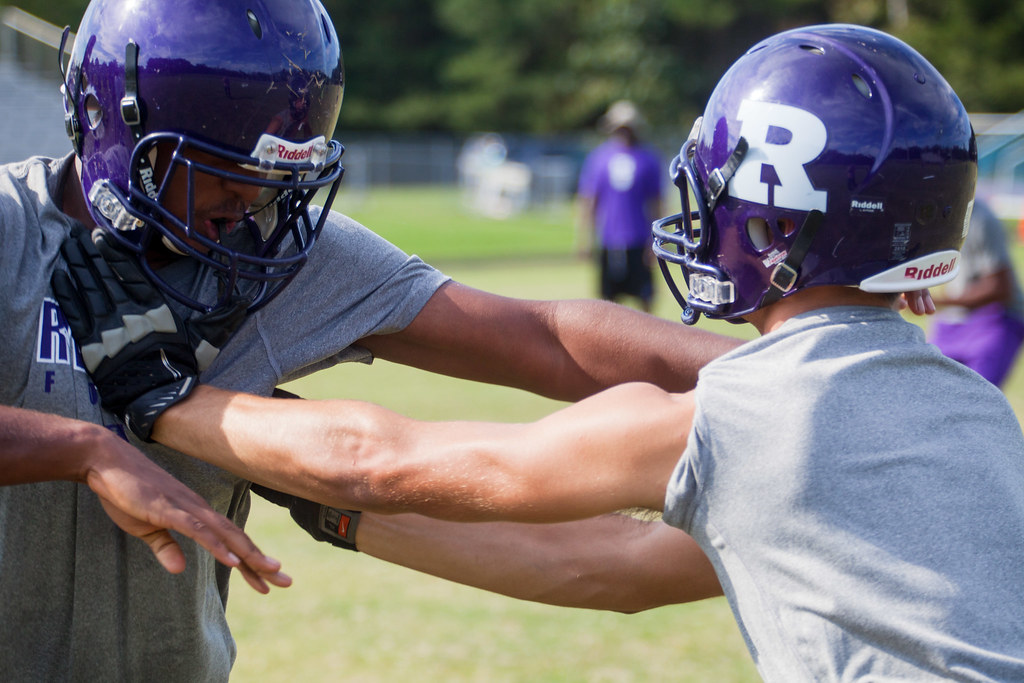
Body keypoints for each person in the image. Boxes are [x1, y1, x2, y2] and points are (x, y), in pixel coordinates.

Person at [63, 24, 1024, 680]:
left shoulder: (747, 418)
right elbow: (617, 568)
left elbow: (386, 460)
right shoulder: (974, 411)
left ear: (774, 224)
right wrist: (324, 505)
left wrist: (162, 396)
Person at [10, 0, 749, 679]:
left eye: (273, 182)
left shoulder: (271, 249)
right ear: (119, 122)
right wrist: (84, 449)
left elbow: (543, 336)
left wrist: (773, 377)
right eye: (224, 176)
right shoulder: (12, 229)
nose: (251, 209)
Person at [577, 100, 664, 312]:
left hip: (638, 238)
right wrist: (584, 238)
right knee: (609, 302)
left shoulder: (648, 159)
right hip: (609, 240)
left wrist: (656, 240)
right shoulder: (599, 159)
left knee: (645, 297)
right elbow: (589, 201)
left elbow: (657, 203)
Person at [929, 196, 1024, 386]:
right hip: (952, 321)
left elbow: (999, 288)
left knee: (975, 404)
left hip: (993, 320)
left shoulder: (980, 217)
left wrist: (937, 302)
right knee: (933, 396)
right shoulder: (936, 210)